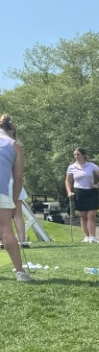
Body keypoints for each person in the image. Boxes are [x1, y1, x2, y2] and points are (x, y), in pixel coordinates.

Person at [0, 114, 31, 281]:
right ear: (11, 130)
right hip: (1, 190)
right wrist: (13, 201)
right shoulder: (15, 145)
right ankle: (20, 272)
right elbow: (18, 178)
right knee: (5, 230)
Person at [65, 147, 99, 242]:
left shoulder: (91, 165)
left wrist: (97, 185)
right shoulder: (72, 167)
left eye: (78, 154)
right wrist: (69, 191)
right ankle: (86, 237)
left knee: (91, 216)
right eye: (75, 155)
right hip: (79, 193)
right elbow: (68, 181)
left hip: (91, 192)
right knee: (83, 216)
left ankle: (93, 237)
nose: (76, 156)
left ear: (84, 155)